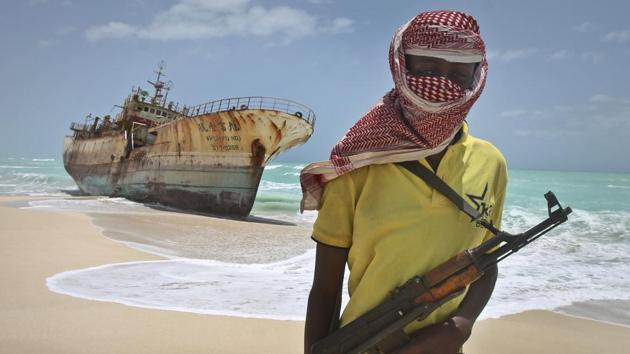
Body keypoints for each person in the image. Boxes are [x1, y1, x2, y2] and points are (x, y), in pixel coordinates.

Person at [302, 10, 508, 354]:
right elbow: (325, 288)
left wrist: (461, 326)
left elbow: (486, 260)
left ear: (477, 77)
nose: (442, 85)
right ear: (402, 68)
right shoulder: (355, 164)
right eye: (427, 71)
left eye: (458, 74)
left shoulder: (491, 163)